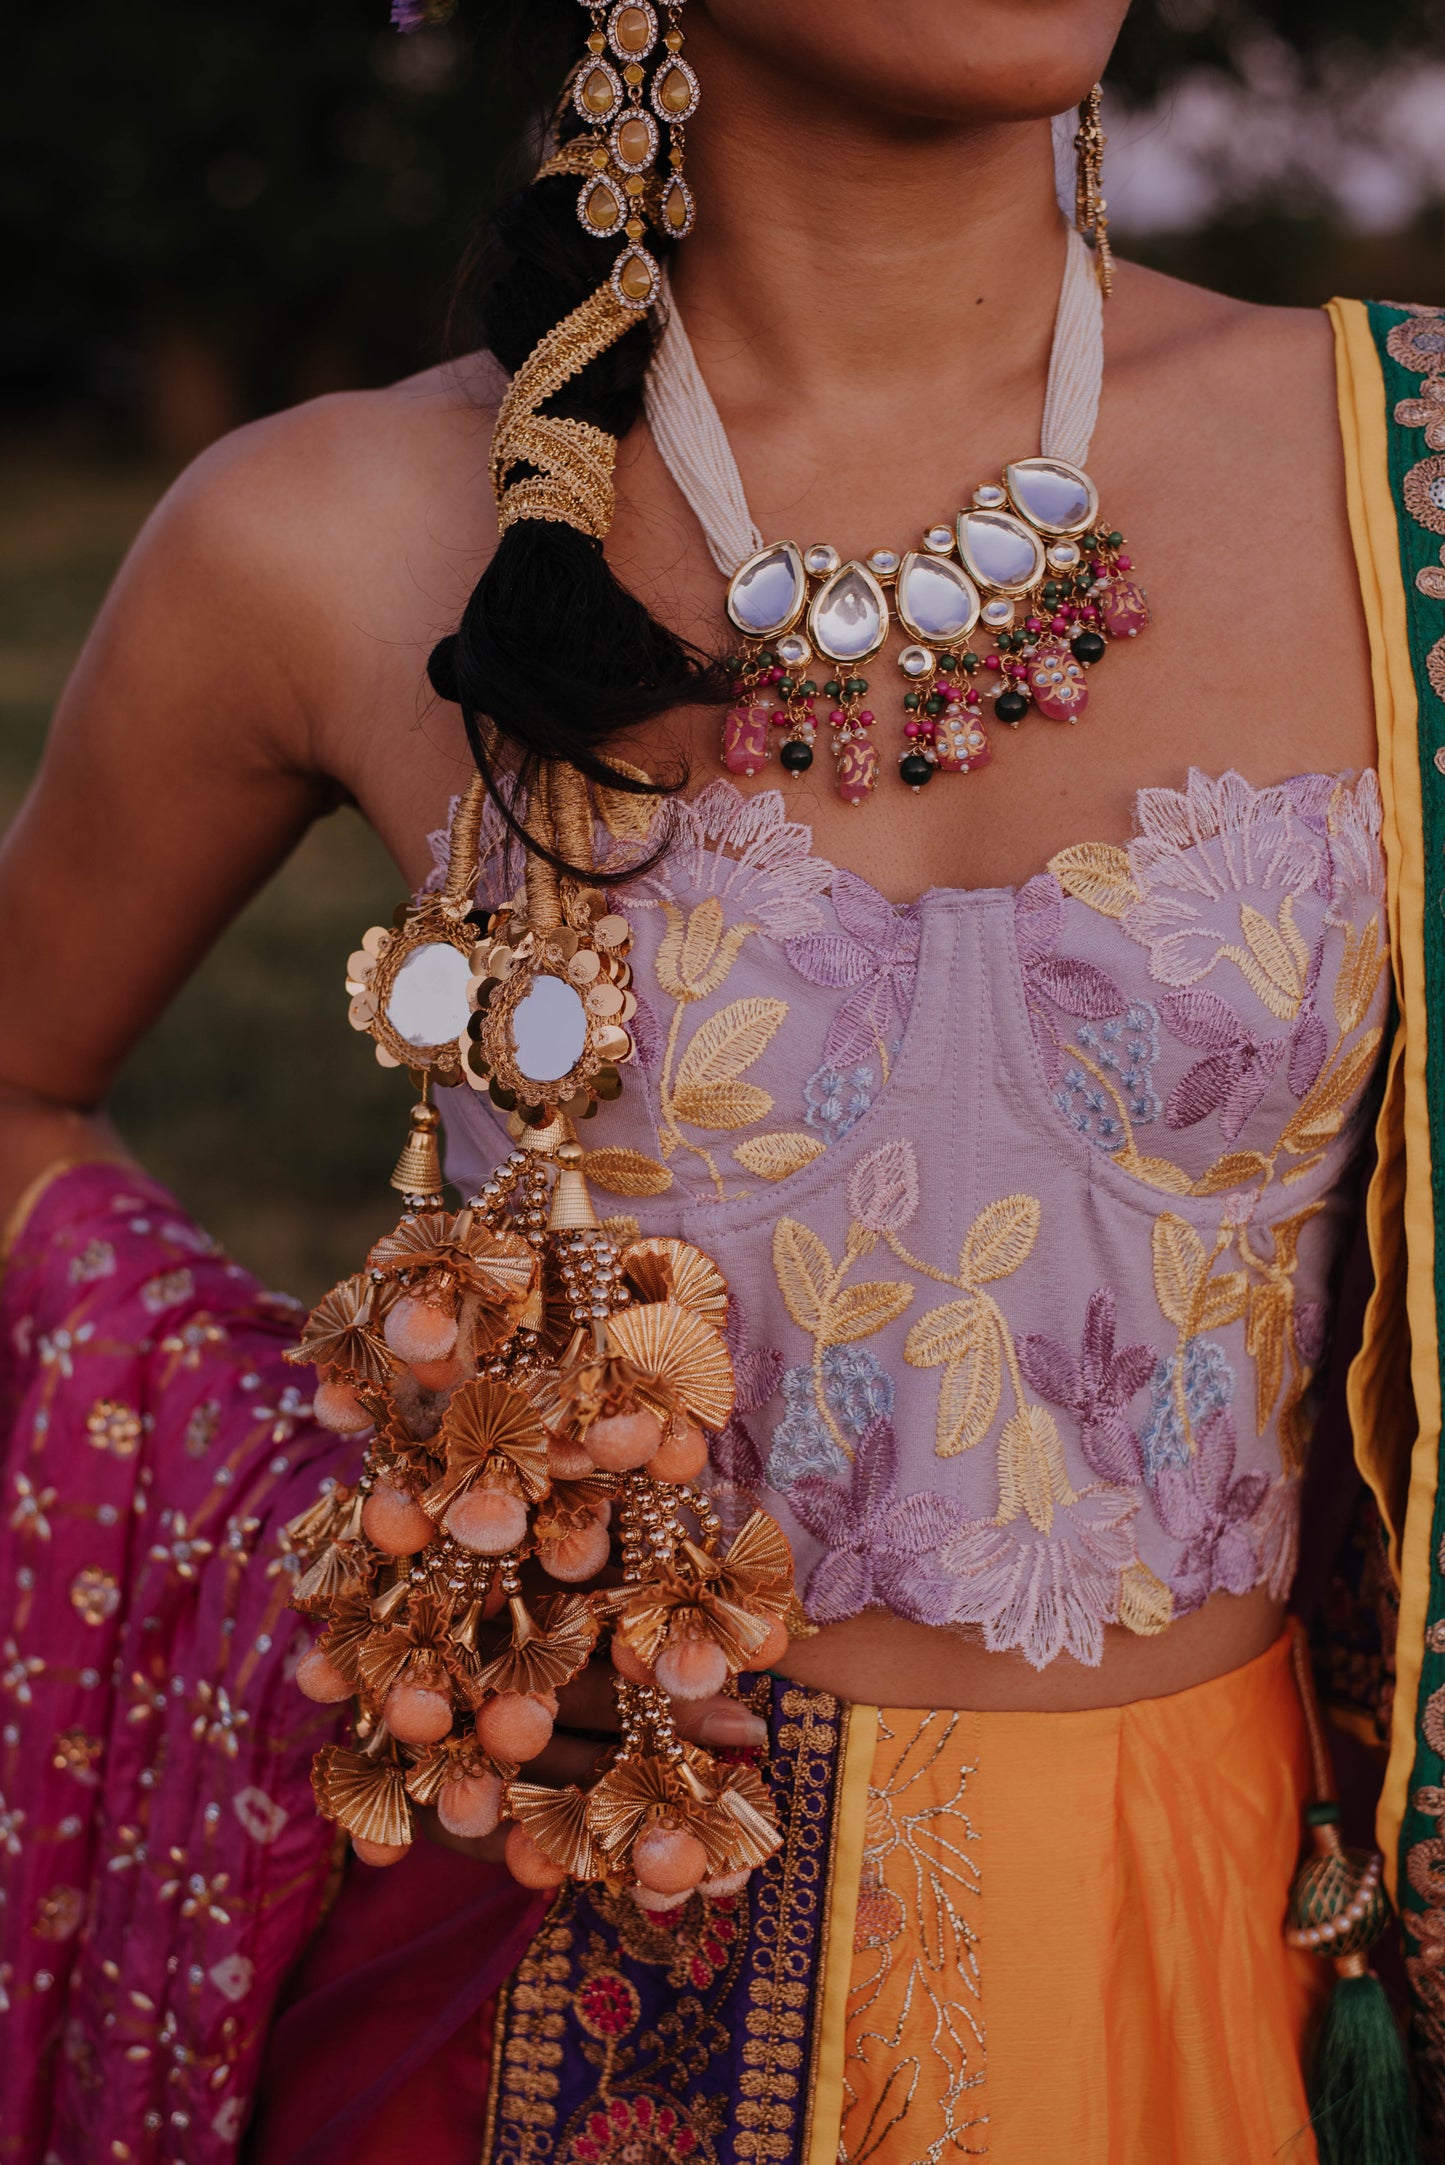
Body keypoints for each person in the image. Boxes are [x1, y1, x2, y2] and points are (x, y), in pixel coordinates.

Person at [2, 1, 1442, 2159]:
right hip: (547, 2017)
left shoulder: (1397, 465)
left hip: (1215, 1995)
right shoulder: (331, 531)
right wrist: (362, 1531)